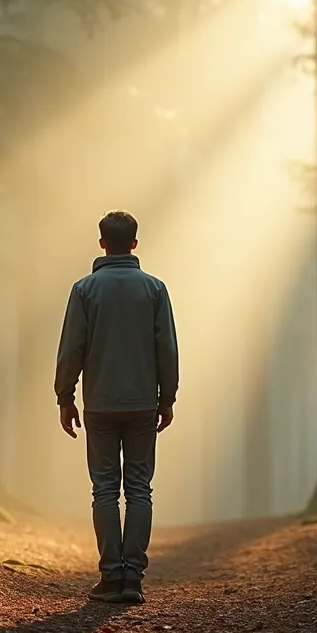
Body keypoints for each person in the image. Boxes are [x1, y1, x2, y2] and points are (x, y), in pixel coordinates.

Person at [54, 210, 180, 605]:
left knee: (104, 489)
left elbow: (72, 348)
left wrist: (65, 397)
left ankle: (110, 576)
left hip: (101, 404)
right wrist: (167, 398)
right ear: (135, 244)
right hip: (143, 402)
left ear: (102, 243)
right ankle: (133, 578)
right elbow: (167, 349)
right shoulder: (155, 289)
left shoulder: (84, 289)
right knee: (140, 488)